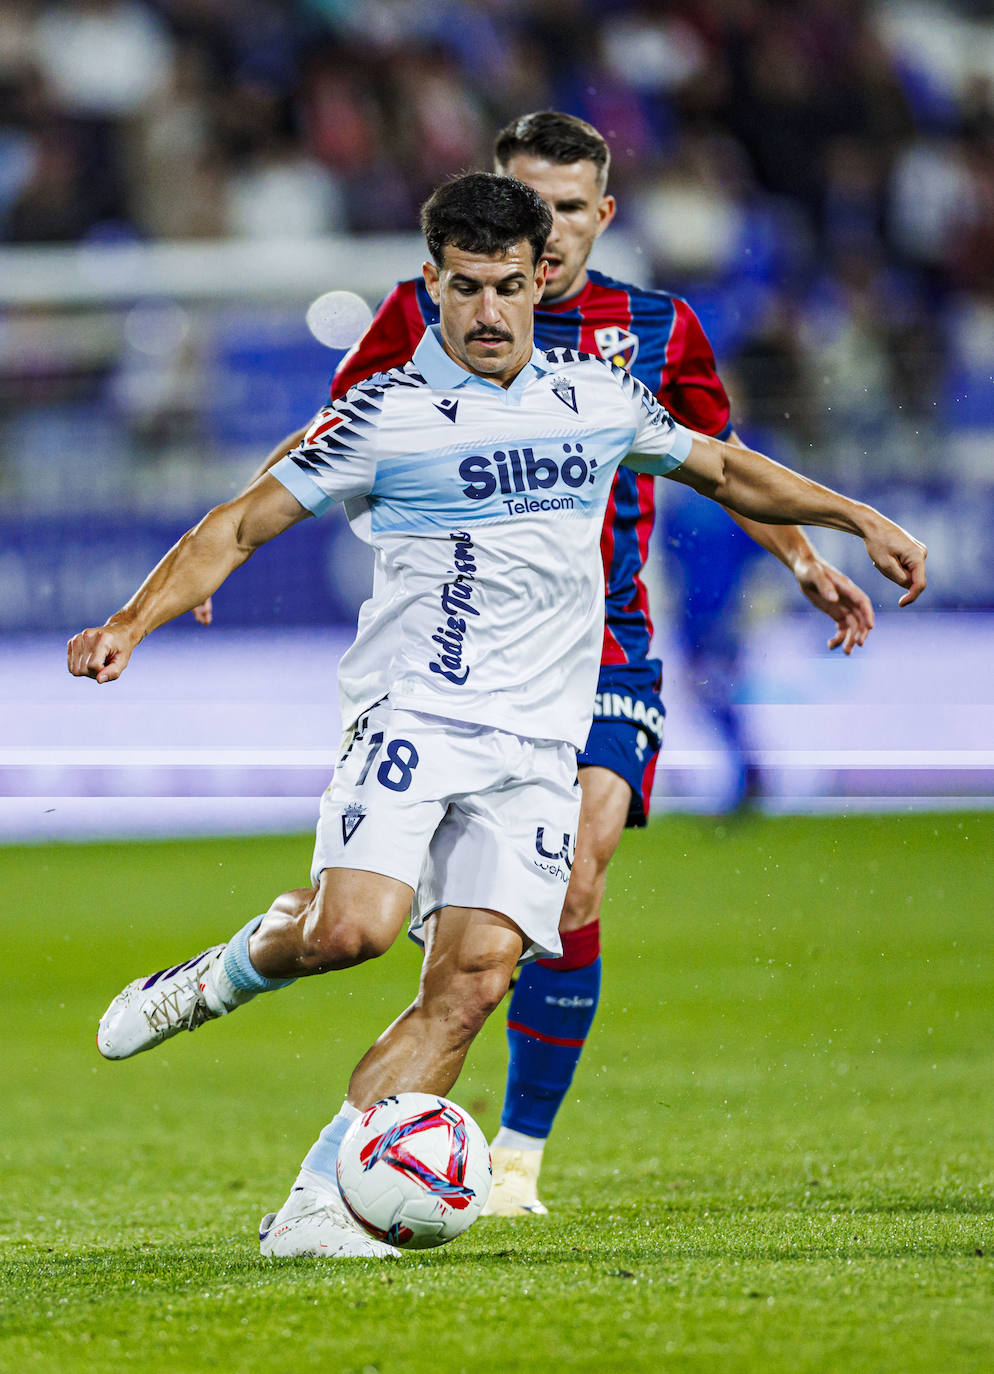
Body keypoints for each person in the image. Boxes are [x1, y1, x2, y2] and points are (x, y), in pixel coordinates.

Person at [70, 172, 926, 1262]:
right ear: (431, 284)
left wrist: (851, 519)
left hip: (537, 746)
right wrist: (132, 621)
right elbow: (239, 522)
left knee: (474, 980)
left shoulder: (594, 398)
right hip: (412, 715)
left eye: (507, 288)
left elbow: (718, 467)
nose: (486, 311)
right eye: (465, 288)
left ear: (539, 285)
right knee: (352, 933)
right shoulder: (387, 413)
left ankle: (320, 1206)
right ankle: (225, 971)